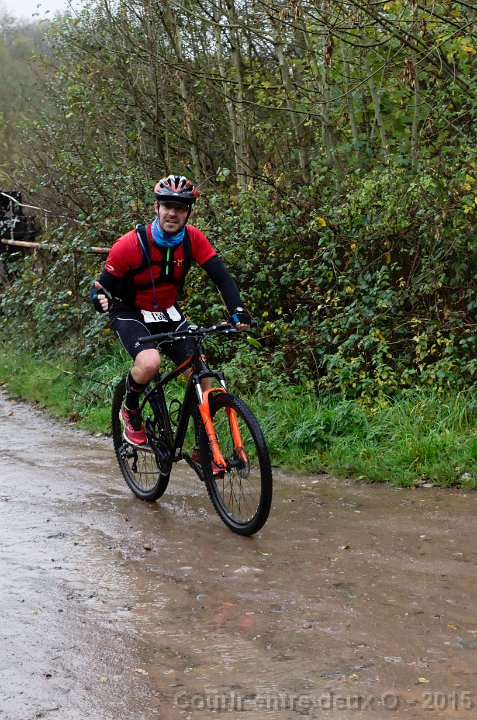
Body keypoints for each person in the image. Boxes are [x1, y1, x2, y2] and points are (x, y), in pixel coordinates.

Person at [91, 174, 251, 451]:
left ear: (188, 213)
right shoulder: (129, 244)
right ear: (157, 207)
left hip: (166, 311)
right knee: (150, 363)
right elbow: (100, 287)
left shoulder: (193, 239)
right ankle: (130, 409)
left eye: (180, 208)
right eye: (167, 206)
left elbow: (222, 277)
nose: (172, 213)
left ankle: (204, 449)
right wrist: (98, 299)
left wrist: (237, 311)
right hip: (130, 311)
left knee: (202, 378)